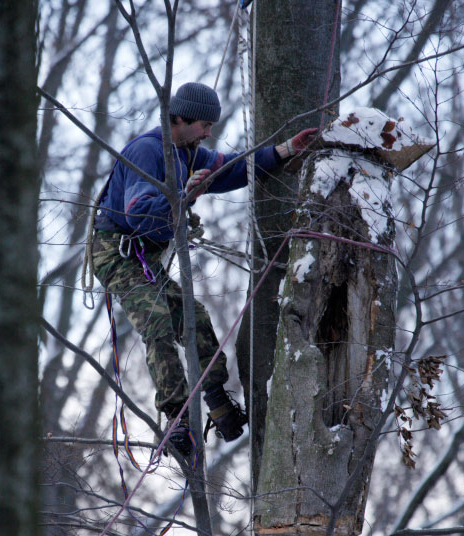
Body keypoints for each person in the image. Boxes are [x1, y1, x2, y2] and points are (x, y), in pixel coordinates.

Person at [91, 82, 317, 455]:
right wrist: (185, 197)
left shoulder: (188, 151)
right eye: (203, 125)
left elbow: (229, 169)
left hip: (144, 256)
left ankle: (216, 399)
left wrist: (284, 150)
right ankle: (177, 416)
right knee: (158, 321)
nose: (209, 132)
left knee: (193, 316)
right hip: (116, 252)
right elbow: (142, 215)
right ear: (178, 118)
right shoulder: (150, 151)